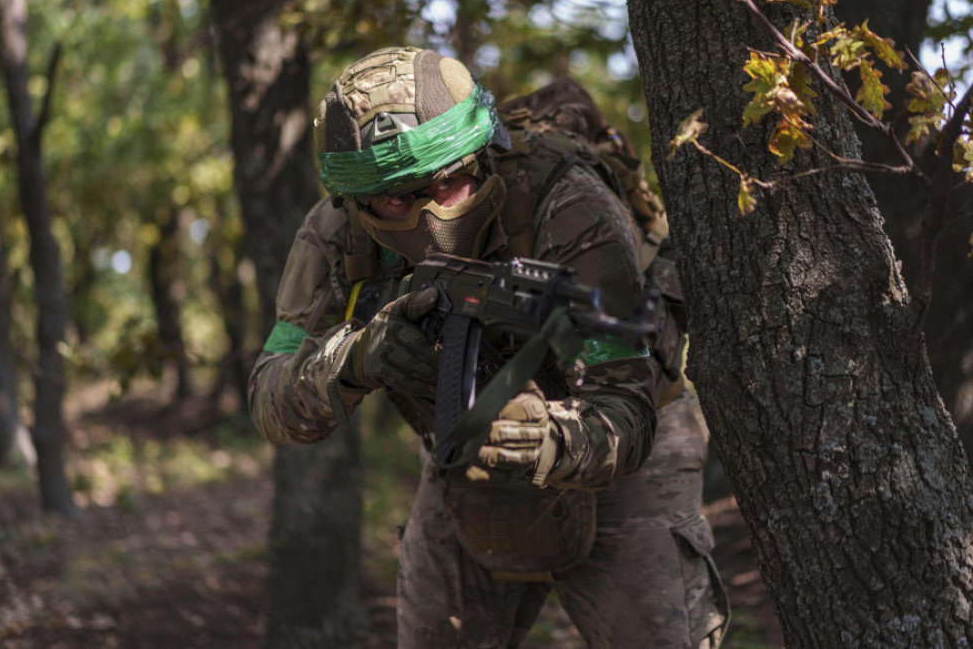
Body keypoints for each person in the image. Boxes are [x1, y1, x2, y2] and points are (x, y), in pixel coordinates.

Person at [247, 46, 728, 648]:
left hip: (627, 464)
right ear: (358, 200)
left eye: (448, 183)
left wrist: (546, 439)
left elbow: (626, 414)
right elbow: (269, 392)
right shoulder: (335, 235)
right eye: (399, 199)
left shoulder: (566, 202)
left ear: (481, 155)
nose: (428, 213)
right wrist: (353, 360)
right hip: (461, 453)